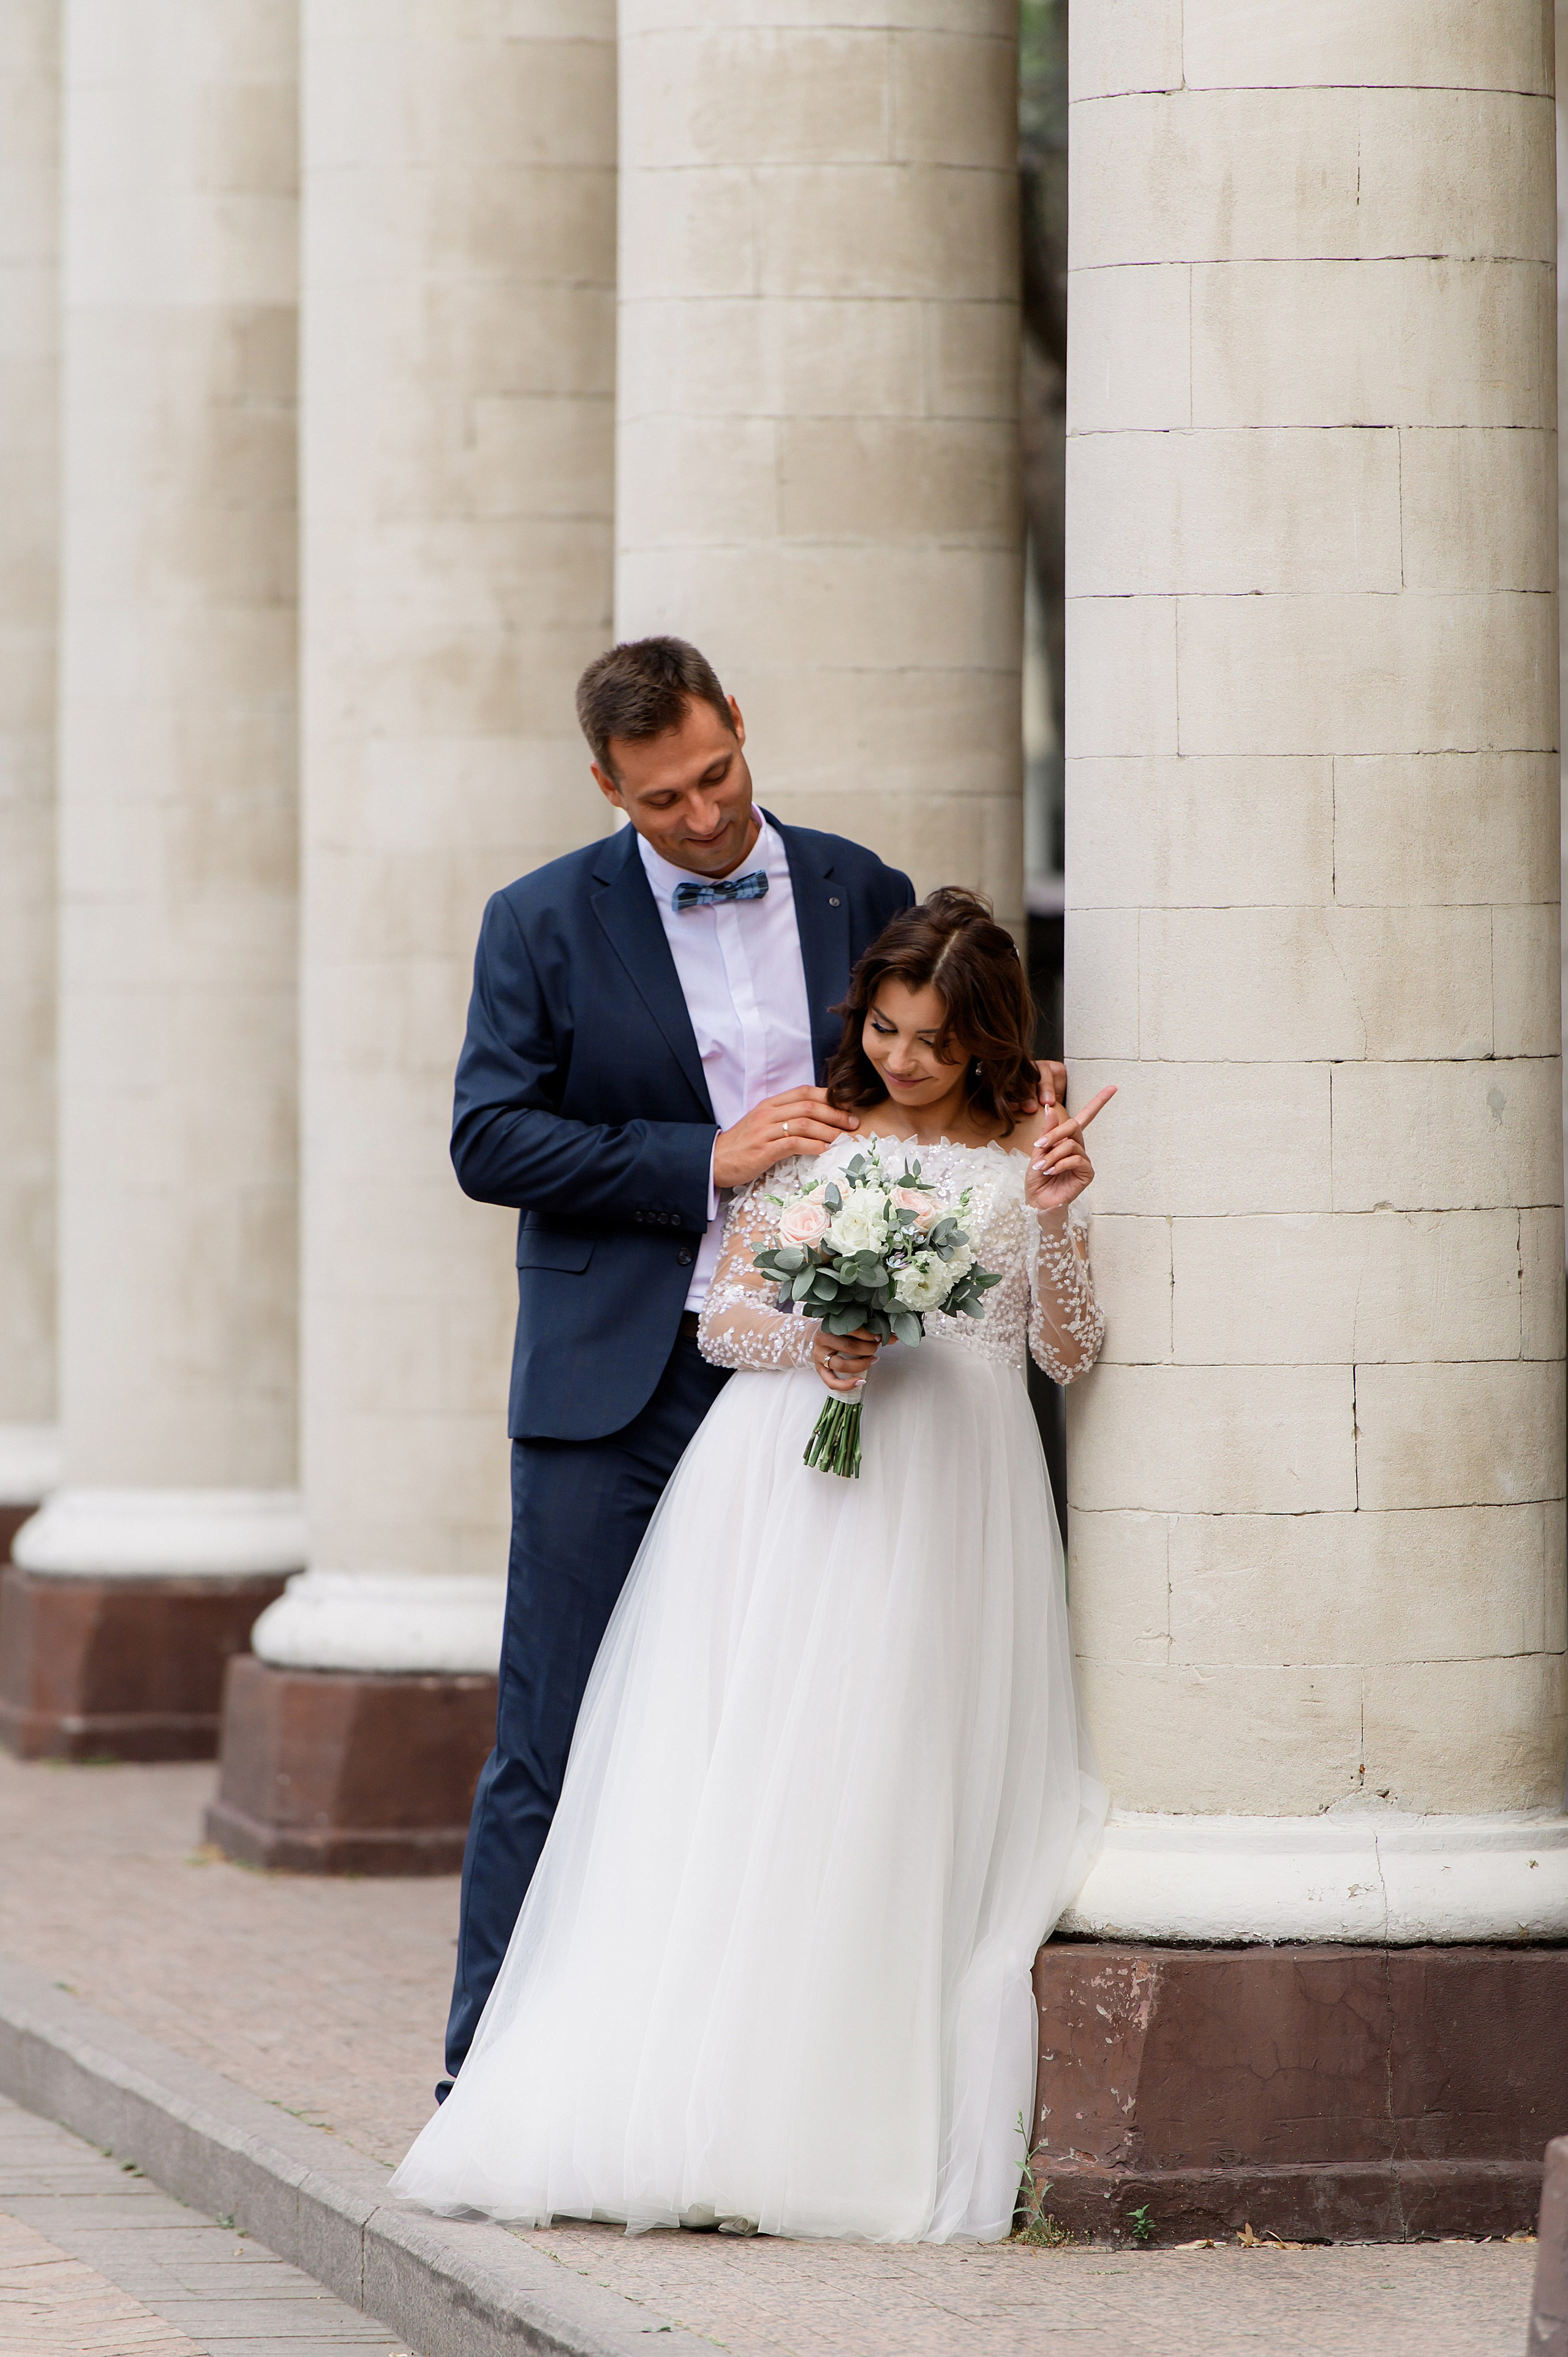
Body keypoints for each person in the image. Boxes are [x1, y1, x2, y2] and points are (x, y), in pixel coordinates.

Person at [394, 888, 1112, 2242]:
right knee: (764, 1758)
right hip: (790, 1482)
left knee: (897, 1769)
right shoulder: (817, 1135)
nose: (899, 1057)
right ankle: (700, 2094)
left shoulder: (1029, 1154)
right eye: (886, 1027)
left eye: (930, 1040)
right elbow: (728, 1318)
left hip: (954, 1492)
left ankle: (836, 2101)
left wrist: (1061, 1217)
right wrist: (819, 1345)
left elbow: (1065, 1356)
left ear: (987, 1044)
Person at [440, 636, 916, 2092]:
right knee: (557, 1729)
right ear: (605, 787)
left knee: (776, 1727)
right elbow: (486, 1137)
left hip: (805, 1375)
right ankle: (487, 2073)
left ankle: (726, 2079)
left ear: (738, 726)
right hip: (614, 1388)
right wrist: (703, 1158)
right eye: (661, 802)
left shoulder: (861, 889)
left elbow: (923, 1083)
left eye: (716, 776)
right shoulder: (536, 920)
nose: (703, 817)